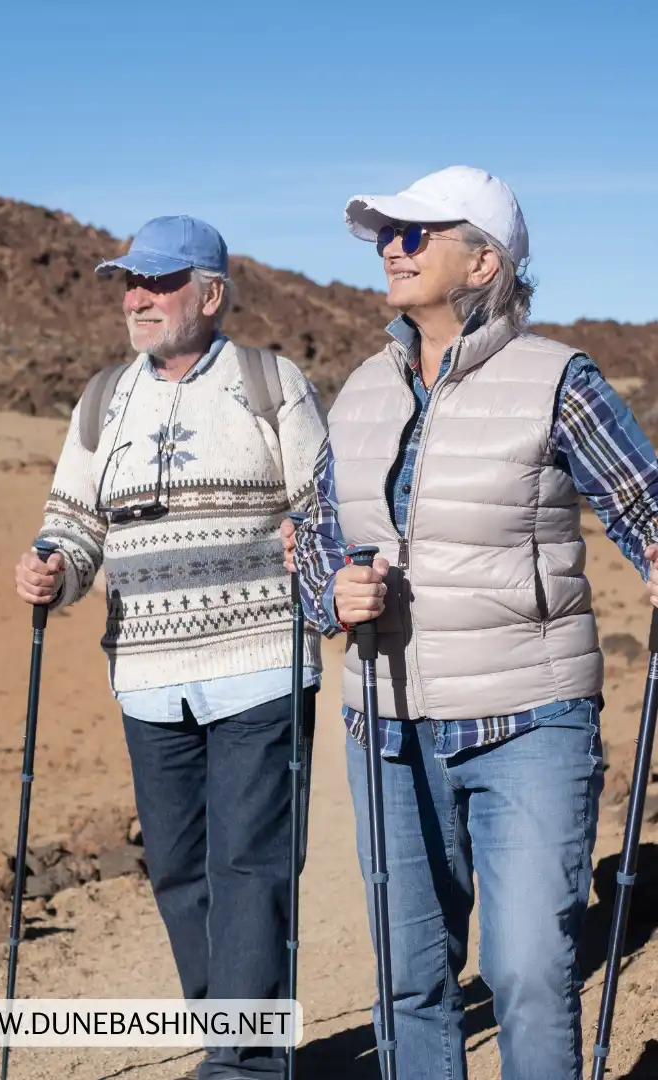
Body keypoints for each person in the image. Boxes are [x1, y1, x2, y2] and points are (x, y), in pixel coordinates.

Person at [281, 164, 658, 1080]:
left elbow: (643, 503)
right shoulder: (362, 389)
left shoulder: (557, 378)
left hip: (530, 721)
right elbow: (317, 536)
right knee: (412, 983)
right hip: (387, 729)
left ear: (484, 262)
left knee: (529, 972)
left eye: (416, 234)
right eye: (386, 236)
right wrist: (331, 592)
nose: (392, 249)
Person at [15, 214, 328, 1079]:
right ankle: (241, 1040)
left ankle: (242, 1065)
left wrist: (319, 548)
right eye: (128, 282)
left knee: (250, 867)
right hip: (149, 678)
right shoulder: (102, 398)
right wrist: (51, 569)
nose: (137, 298)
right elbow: (73, 524)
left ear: (211, 294)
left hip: (260, 665)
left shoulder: (271, 382)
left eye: (157, 282)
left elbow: (324, 505)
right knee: (181, 874)